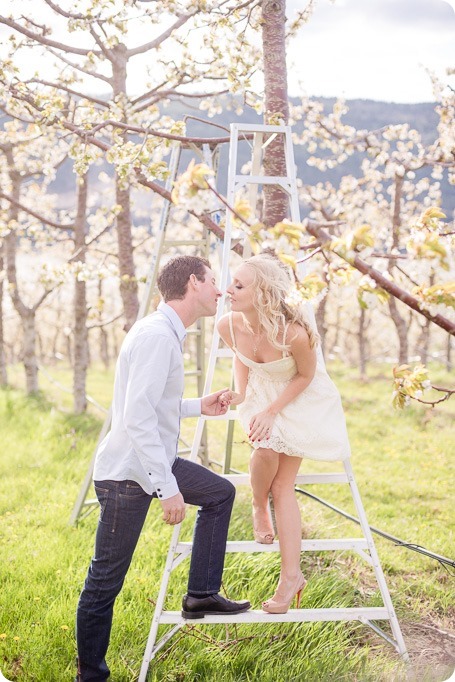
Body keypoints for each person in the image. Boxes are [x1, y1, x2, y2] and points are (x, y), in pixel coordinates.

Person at [76, 255, 250, 682]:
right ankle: (91, 676)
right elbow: (136, 417)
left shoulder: (166, 333)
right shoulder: (157, 336)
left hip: (144, 463)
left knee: (220, 493)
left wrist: (196, 406)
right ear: (192, 282)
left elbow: (152, 406)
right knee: (105, 581)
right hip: (127, 476)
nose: (220, 290)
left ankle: (200, 594)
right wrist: (166, 486)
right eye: (213, 281)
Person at [217, 253, 351, 615]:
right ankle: (259, 506)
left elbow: (305, 377)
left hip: (297, 398)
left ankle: (291, 577)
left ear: (263, 294)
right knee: (263, 449)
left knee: (283, 485)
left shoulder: (295, 333)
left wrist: (273, 411)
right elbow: (239, 358)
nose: (228, 289)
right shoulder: (227, 325)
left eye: (239, 285)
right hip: (261, 393)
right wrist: (242, 393)